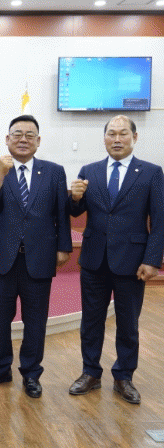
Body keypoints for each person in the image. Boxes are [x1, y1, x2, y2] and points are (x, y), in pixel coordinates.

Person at [67, 115, 164, 404]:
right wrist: (74, 198)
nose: (117, 139)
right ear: (104, 138)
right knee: (91, 322)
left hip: (132, 262)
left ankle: (124, 376)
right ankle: (90, 372)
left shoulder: (151, 173)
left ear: (135, 137)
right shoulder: (90, 171)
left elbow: (159, 220)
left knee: (128, 324)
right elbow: (75, 211)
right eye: (111, 133)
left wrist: (152, 259)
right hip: (94, 260)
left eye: (123, 133)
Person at [0, 115, 72, 398]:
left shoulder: (54, 172)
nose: (23, 139)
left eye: (29, 135)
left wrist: (64, 246)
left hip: (39, 256)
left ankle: (31, 374)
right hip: (2, 257)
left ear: (38, 141)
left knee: (35, 320)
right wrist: (0, 174)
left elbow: (61, 213)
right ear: (7, 139)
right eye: (17, 134)